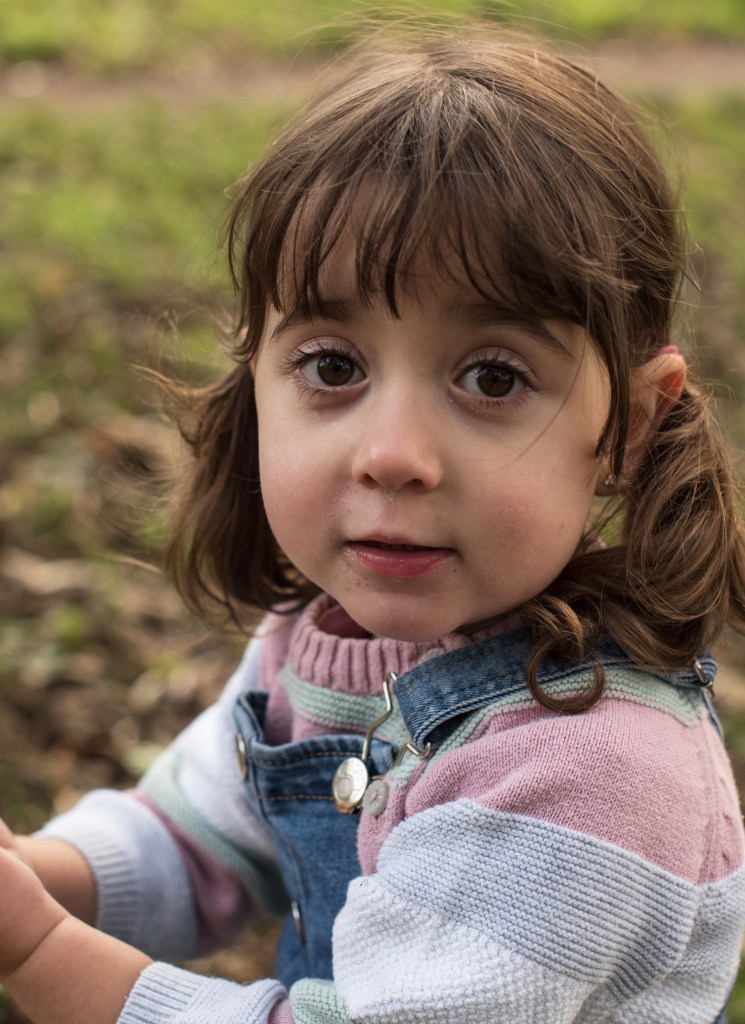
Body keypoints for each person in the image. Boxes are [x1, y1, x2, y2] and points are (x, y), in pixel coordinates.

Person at [1, 26, 745, 1024]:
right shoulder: (320, 639)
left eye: (492, 378)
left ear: (629, 424)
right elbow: (196, 839)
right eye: (333, 366)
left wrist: (40, 949)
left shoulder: (594, 772)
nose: (390, 453)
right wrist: (34, 872)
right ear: (256, 378)